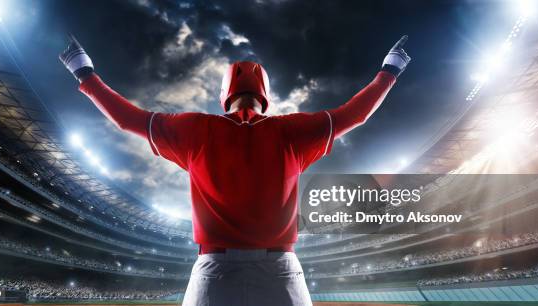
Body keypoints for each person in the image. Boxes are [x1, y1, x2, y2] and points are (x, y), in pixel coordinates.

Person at [60, 34, 410, 306]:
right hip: (281, 269)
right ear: (265, 95)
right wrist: (389, 69)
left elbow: (126, 119)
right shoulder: (291, 130)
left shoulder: (196, 128)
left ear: (225, 94)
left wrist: (83, 71)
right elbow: (357, 114)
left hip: (216, 270)